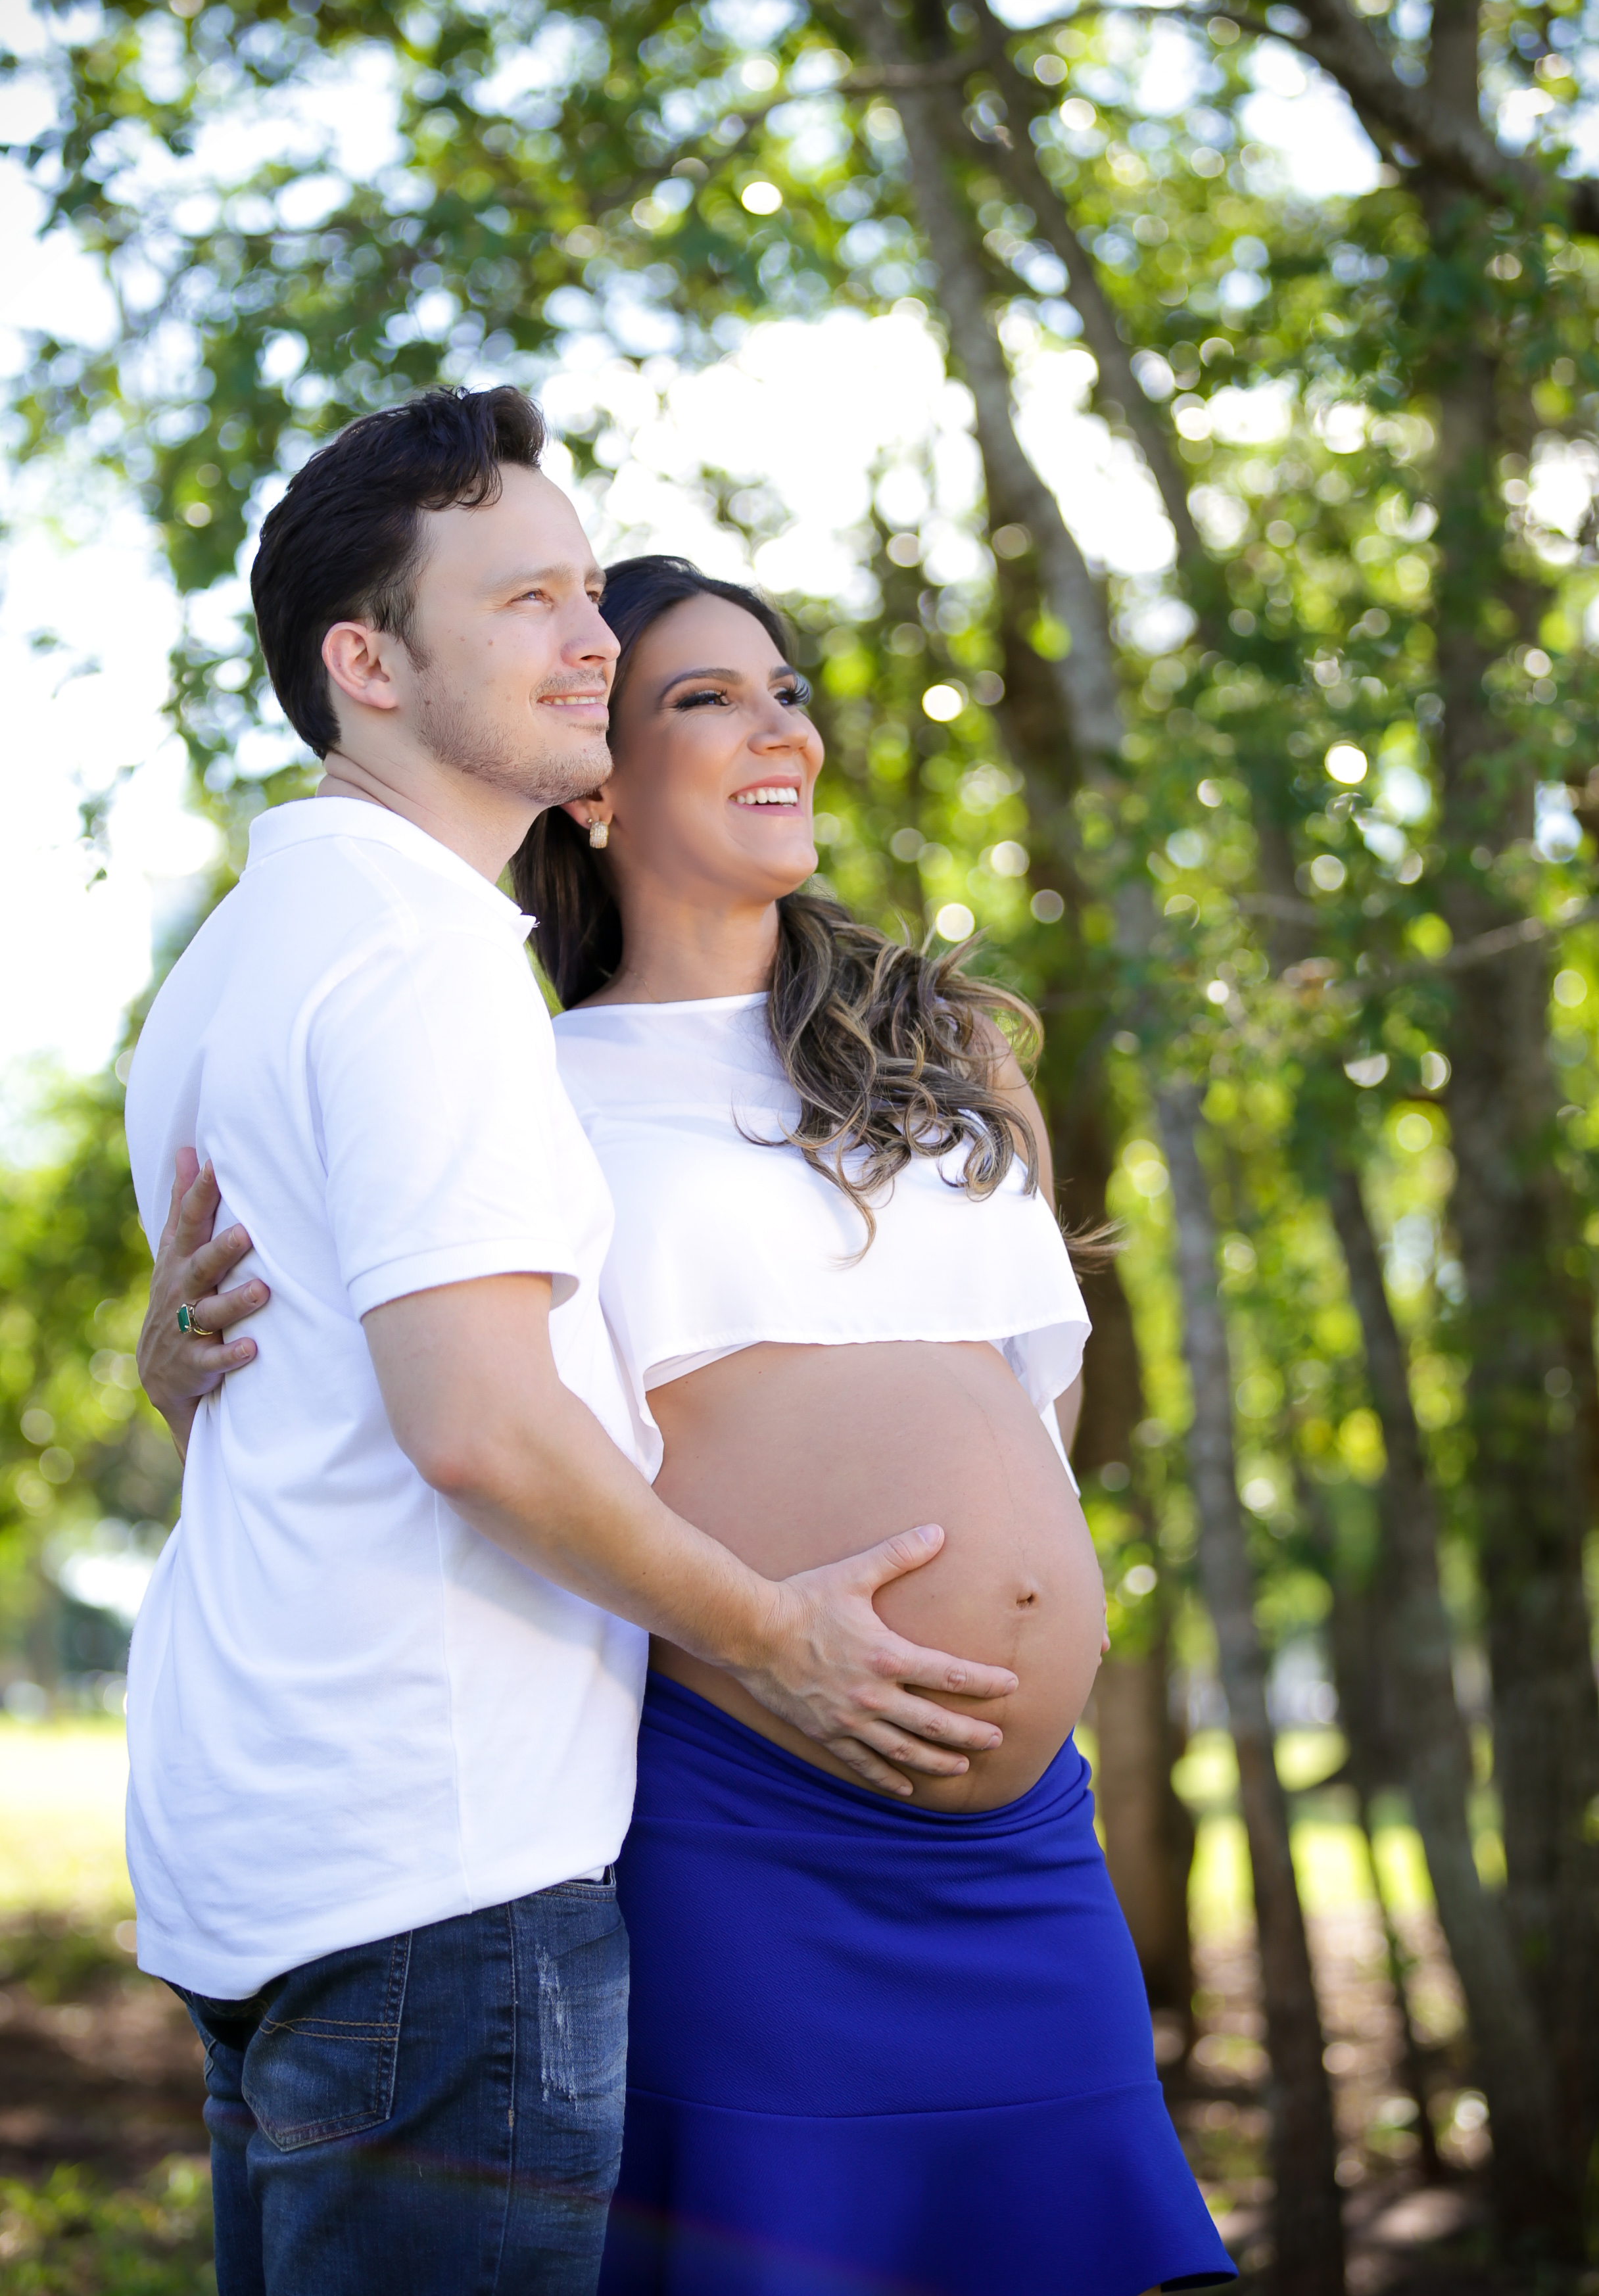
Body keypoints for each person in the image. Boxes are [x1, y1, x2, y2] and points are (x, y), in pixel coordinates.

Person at [146, 534, 1235, 2291]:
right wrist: (174, 1362)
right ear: (596, 782)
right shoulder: (515, 1074)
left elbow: (1031, 1401)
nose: (778, 733)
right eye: (703, 700)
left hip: (1029, 1859)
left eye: (786, 695)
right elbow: (388, 1411)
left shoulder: (950, 1056)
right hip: (744, 1825)